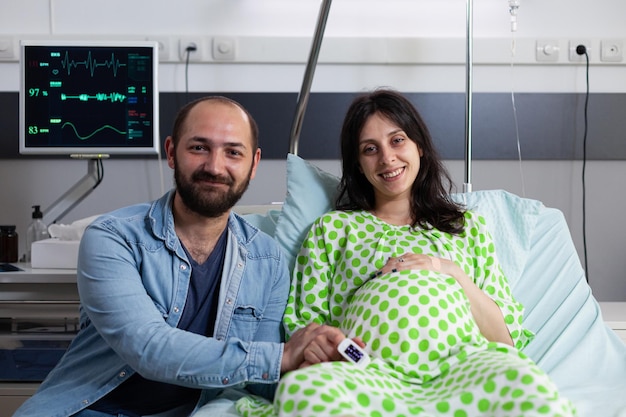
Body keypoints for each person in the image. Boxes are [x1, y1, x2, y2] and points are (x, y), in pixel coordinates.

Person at [236, 89, 577, 417]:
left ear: (420, 147)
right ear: (358, 164)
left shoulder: (466, 226)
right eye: (370, 149)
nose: (387, 158)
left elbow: (506, 339)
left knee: (531, 391)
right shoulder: (333, 229)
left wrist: (448, 270)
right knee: (303, 393)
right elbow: (306, 325)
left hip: (464, 363)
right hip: (364, 368)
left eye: (397, 140)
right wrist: (334, 350)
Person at [13, 96, 344, 417]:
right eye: (199, 148)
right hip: (86, 407)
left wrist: (320, 366)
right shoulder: (113, 237)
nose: (215, 167)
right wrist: (281, 357)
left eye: (233, 152)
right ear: (172, 152)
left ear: (253, 164)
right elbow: (149, 349)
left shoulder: (267, 261)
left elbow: (258, 381)